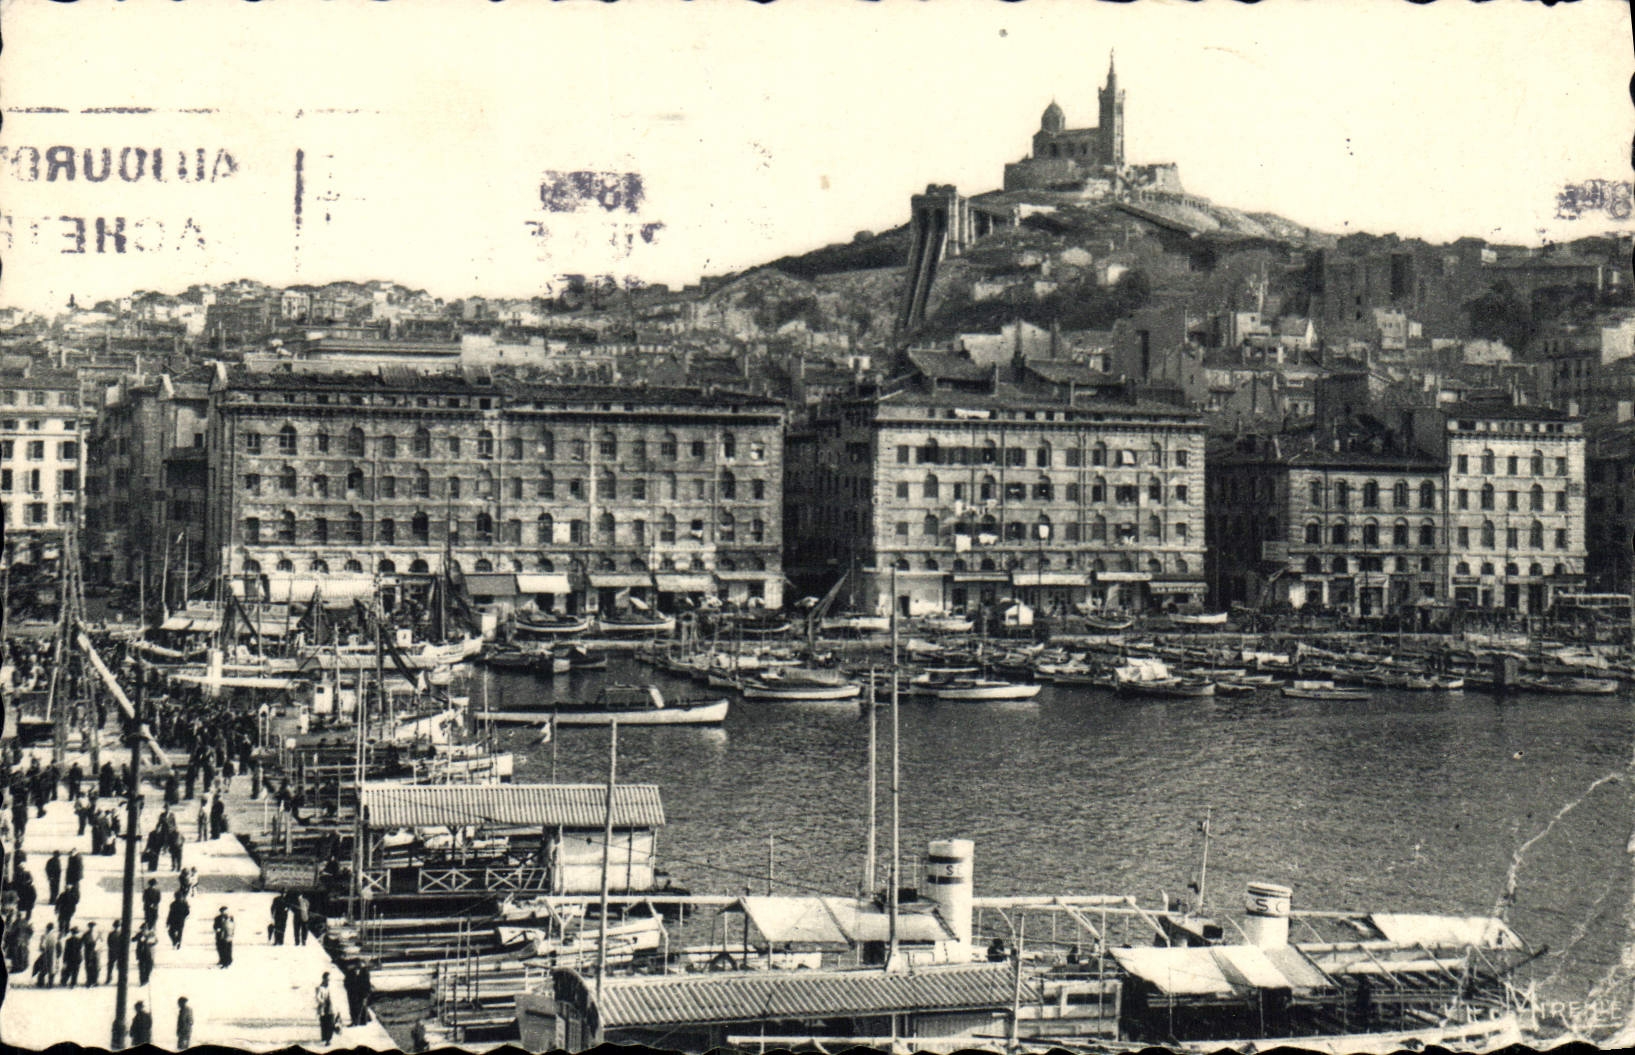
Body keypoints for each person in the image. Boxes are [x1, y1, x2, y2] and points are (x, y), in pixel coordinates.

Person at [32, 921, 59, 987]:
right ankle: (50, 984)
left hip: (47, 955)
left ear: (47, 928)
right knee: (52, 970)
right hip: (53, 955)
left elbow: (42, 947)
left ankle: (40, 984)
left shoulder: (46, 936)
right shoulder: (55, 936)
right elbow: (59, 947)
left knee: (43, 970)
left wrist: (41, 943)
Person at [315, 972, 338, 1045]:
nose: (329, 981)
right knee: (324, 1023)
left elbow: (335, 997)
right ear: (324, 979)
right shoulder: (319, 987)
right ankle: (325, 1038)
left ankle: (329, 1039)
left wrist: (338, 1008)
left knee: (330, 1023)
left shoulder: (332, 987)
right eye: (327, 979)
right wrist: (322, 1002)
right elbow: (317, 997)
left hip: (331, 1007)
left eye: (329, 979)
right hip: (324, 1008)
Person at [105, 919, 126, 984]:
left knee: (119, 967)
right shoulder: (111, 934)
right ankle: (109, 978)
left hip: (119, 953)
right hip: (112, 952)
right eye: (116, 926)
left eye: (118, 926)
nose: (117, 928)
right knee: (110, 966)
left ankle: (120, 980)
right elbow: (108, 942)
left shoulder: (122, 934)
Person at [81, 921, 100, 987]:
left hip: (96, 953)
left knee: (96, 967)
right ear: (89, 927)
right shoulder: (86, 934)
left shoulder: (98, 934)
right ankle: (89, 981)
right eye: (91, 927)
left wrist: (98, 947)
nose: (92, 928)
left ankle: (95, 981)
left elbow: (102, 942)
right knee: (88, 967)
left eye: (93, 927)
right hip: (88, 953)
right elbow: (82, 943)